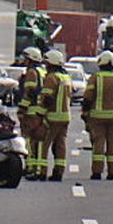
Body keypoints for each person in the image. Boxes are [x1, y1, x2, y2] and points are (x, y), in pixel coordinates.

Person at [82, 50, 113, 180]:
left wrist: (85, 113)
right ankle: (112, 173)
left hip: (97, 117)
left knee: (98, 144)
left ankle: (97, 172)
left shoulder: (95, 77)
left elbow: (88, 98)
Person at [40, 49, 74, 181]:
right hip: (65, 117)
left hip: (52, 117)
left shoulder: (51, 77)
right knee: (60, 145)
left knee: (44, 145)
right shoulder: (66, 77)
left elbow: (47, 98)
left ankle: (42, 172)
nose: (45, 65)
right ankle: (58, 172)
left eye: (47, 63)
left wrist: (40, 114)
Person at [16, 47, 48, 180]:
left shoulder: (31, 72)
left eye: (26, 58)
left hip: (31, 110)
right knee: (39, 140)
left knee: (29, 140)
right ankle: (38, 168)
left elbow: (29, 92)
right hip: (41, 110)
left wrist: (22, 108)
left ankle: (30, 167)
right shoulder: (43, 71)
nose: (23, 61)